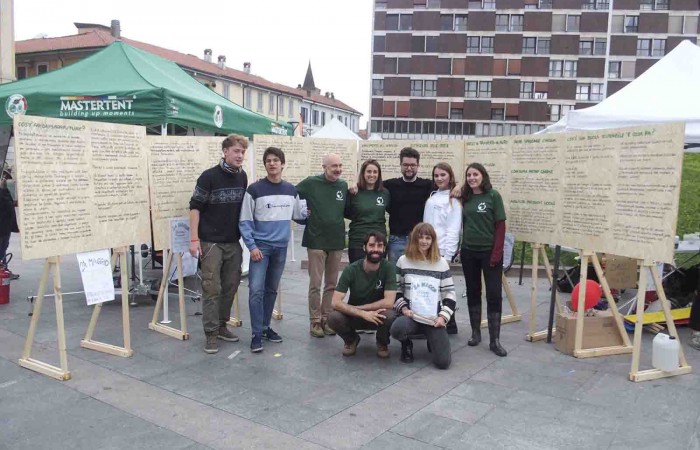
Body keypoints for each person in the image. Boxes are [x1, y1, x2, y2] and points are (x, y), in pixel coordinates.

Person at [239, 147, 306, 353]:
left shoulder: (290, 190)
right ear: (265, 164)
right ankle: (256, 334)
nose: (272, 163)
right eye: (268, 160)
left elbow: (299, 214)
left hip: (281, 248)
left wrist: (313, 209)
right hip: (261, 248)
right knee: (255, 290)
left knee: (270, 290)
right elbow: (245, 220)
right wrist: (251, 246)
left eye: (276, 160)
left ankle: (266, 327)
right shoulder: (254, 190)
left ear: (282, 164)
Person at [189, 134, 248, 354]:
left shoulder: (242, 177)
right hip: (211, 242)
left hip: (233, 242)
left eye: (242, 152)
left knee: (231, 286)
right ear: (225, 151)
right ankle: (211, 334)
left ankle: (222, 325)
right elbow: (195, 207)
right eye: (236, 151)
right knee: (211, 289)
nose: (240, 155)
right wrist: (194, 239)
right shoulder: (208, 177)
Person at [296, 153, 348, 338]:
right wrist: (300, 214)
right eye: (334, 166)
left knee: (331, 285)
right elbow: (292, 195)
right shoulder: (311, 183)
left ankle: (327, 319)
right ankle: (315, 321)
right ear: (324, 166)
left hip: (336, 242)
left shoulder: (343, 185)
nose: (338, 169)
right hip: (316, 241)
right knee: (315, 284)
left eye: (340, 165)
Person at [390, 223, 454, 369]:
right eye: (420, 237)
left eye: (428, 238)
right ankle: (406, 344)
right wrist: (404, 308)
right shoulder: (403, 261)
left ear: (432, 241)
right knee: (397, 328)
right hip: (411, 316)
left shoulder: (441, 263)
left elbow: (449, 293)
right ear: (414, 239)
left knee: (443, 363)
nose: (424, 241)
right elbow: (396, 289)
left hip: (433, 318)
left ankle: (432, 340)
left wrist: (443, 317)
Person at [460, 163, 507, 357]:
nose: (472, 178)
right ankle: (475, 333)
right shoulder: (466, 197)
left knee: (494, 294)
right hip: (469, 251)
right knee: (473, 291)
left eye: (475, 174)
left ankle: (495, 340)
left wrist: (496, 253)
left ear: (483, 176)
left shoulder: (493, 196)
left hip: (489, 253)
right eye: (469, 175)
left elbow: (500, 226)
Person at [328, 231, 397, 358]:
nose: (375, 249)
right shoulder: (351, 269)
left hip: (378, 316)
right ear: (364, 247)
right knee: (333, 317)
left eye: (379, 246)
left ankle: (382, 342)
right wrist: (361, 313)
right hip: (355, 317)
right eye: (372, 245)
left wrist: (360, 308)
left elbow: (389, 302)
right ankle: (351, 340)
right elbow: (335, 302)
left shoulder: (389, 268)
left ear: (384, 248)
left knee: (390, 314)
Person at [423, 162, 462, 334]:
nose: (439, 178)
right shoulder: (432, 197)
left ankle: (450, 322)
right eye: (436, 175)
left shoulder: (453, 200)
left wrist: (448, 254)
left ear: (450, 176)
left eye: (443, 175)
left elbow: (453, 229)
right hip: (427, 249)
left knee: (445, 288)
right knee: (431, 287)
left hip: (441, 251)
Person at [383, 148, 433, 263]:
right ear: (400, 165)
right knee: (395, 277)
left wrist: (456, 188)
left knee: (416, 278)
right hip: (396, 240)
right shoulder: (390, 185)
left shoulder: (427, 185)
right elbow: (370, 184)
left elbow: (447, 184)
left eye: (412, 165)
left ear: (418, 165)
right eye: (405, 165)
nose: (409, 168)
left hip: (419, 240)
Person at [345, 159, 390, 263]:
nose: (372, 175)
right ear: (363, 173)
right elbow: (346, 213)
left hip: (378, 242)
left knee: (377, 276)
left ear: (379, 174)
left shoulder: (385, 193)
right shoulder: (354, 192)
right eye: (369, 171)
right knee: (358, 275)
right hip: (358, 241)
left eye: (375, 172)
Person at [0, 165, 19, 279]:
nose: (5, 179)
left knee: (3, 249)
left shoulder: (4, 190)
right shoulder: (2, 192)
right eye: (4, 176)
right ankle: (3, 271)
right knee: (1, 250)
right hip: (2, 227)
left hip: (6, 227)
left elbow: (9, 207)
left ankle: (4, 270)